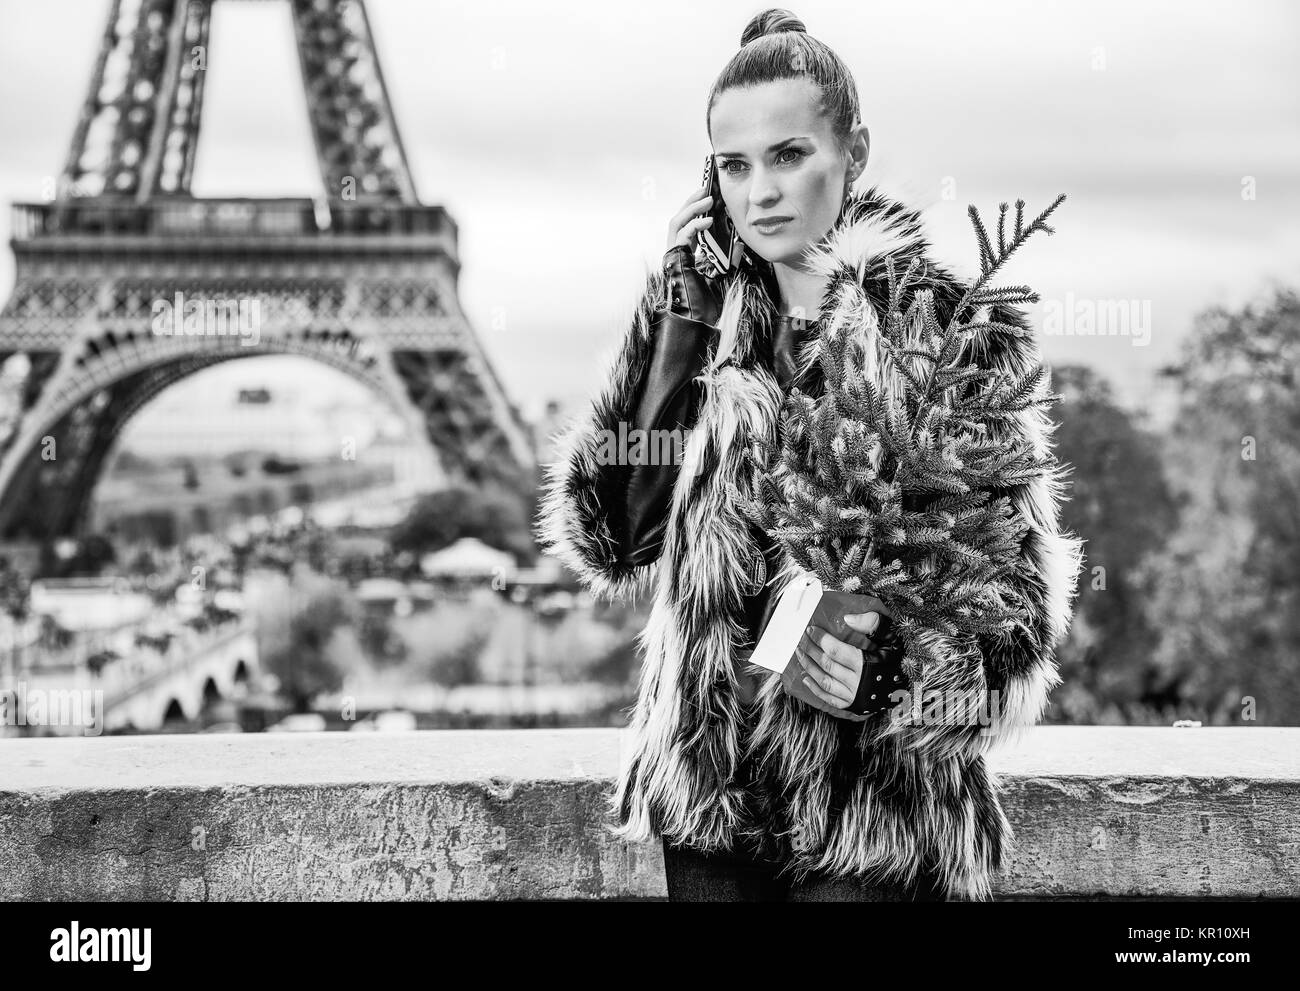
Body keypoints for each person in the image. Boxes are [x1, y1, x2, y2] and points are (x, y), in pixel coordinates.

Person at [537, 8, 1083, 901]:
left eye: (790, 155)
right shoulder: (703, 326)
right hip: (711, 794)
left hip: (878, 808)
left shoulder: (948, 336)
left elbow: (1016, 624)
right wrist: (678, 322)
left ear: (854, 152)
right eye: (734, 165)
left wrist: (897, 673)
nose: (761, 194)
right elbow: (614, 538)